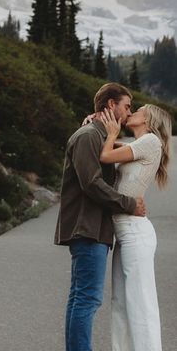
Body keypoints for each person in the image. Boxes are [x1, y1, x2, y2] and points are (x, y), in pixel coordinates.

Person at [54, 83, 146, 351]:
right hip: (87, 227)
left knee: (80, 297)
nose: (129, 113)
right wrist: (129, 204)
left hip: (93, 228)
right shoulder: (87, 136)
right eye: (126, 106)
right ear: (110, 105)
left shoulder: (98, 135)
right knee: (87, 299)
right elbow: (91, 184)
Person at [98, 103, 172, 351]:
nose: (131, 113)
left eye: (137, 111)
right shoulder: (140, 145)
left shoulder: (151, 141)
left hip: (134, 233)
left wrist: (110, 135)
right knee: (120, 302)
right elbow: (116, 149)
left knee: (140, 303)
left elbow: (106, 155)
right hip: (125, 233)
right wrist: (97, 126)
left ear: (148, 120)